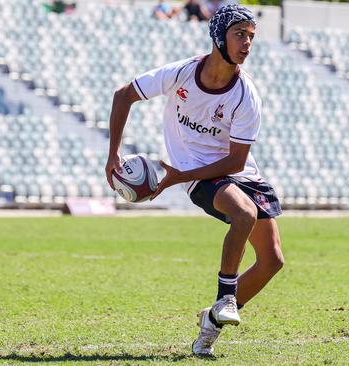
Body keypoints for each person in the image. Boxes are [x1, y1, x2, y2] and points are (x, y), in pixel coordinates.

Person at [104, 5, 284, 357]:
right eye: (239, 34)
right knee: (244, 215)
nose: (247, 43)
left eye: (251, 36)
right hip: (197, 174)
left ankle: (211, 322)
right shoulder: (183, 73)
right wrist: (113, 155)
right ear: (219, 36)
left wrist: (172, 179)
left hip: (234, 171)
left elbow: (236, 160)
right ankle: (226, 298)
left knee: (272, 260)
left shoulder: (247, 94)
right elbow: (123, 95)